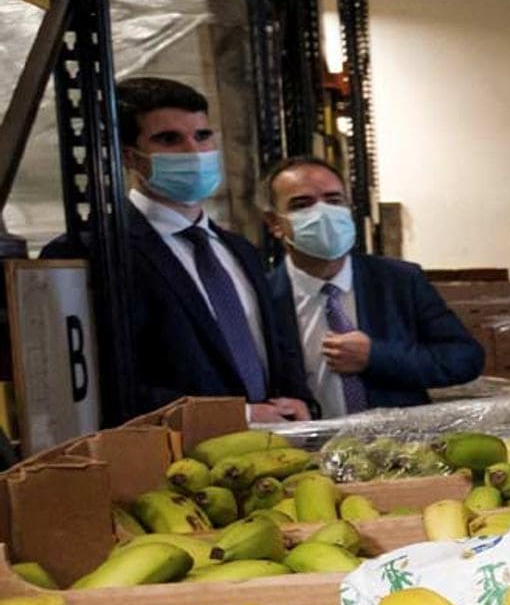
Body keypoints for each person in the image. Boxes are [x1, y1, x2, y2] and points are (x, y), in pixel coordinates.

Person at [44, 77, 311, 423]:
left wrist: (299, 402)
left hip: (268, 458)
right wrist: (240, 416)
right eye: (168, 139)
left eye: (202, 136)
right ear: (130, 156)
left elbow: (273, 347)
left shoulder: (239, 249)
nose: (193, 152)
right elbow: (101, 386)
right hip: (167, 465)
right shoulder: (91, 252)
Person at [260, 156, 484, 417]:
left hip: (402, 448)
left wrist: (376, 356)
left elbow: (464, 358)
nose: (323, 213)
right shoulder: (262, 297)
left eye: (334, 201)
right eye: (302, 204)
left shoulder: (399, 281)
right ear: (274, 223)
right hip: (304, 450)